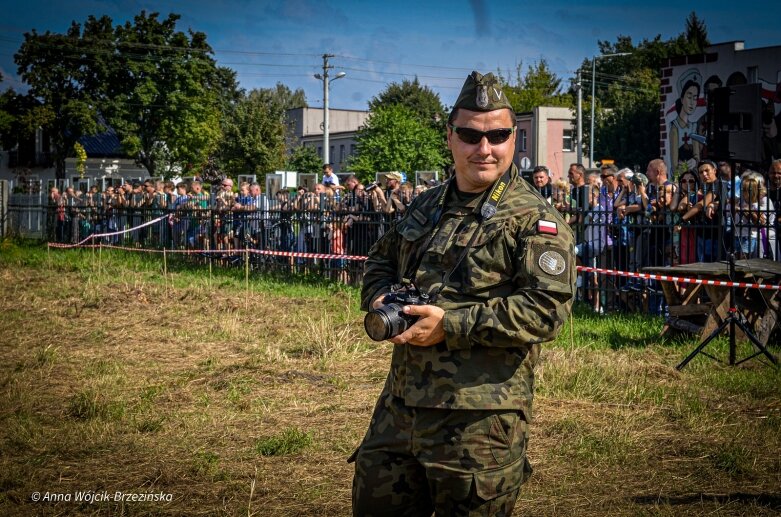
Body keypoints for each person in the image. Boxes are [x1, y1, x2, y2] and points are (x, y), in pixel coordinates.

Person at [351, 71, 575, 516]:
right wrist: (379, 296)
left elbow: (546, 309)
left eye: (498, 134)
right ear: (450, 137)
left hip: (480, 419)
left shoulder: (535, 220)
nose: (484, 147)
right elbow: (380, 258)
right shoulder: (427, 204)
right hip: (400, 406)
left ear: (514, 139)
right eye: (471, 134)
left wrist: (450, 326)